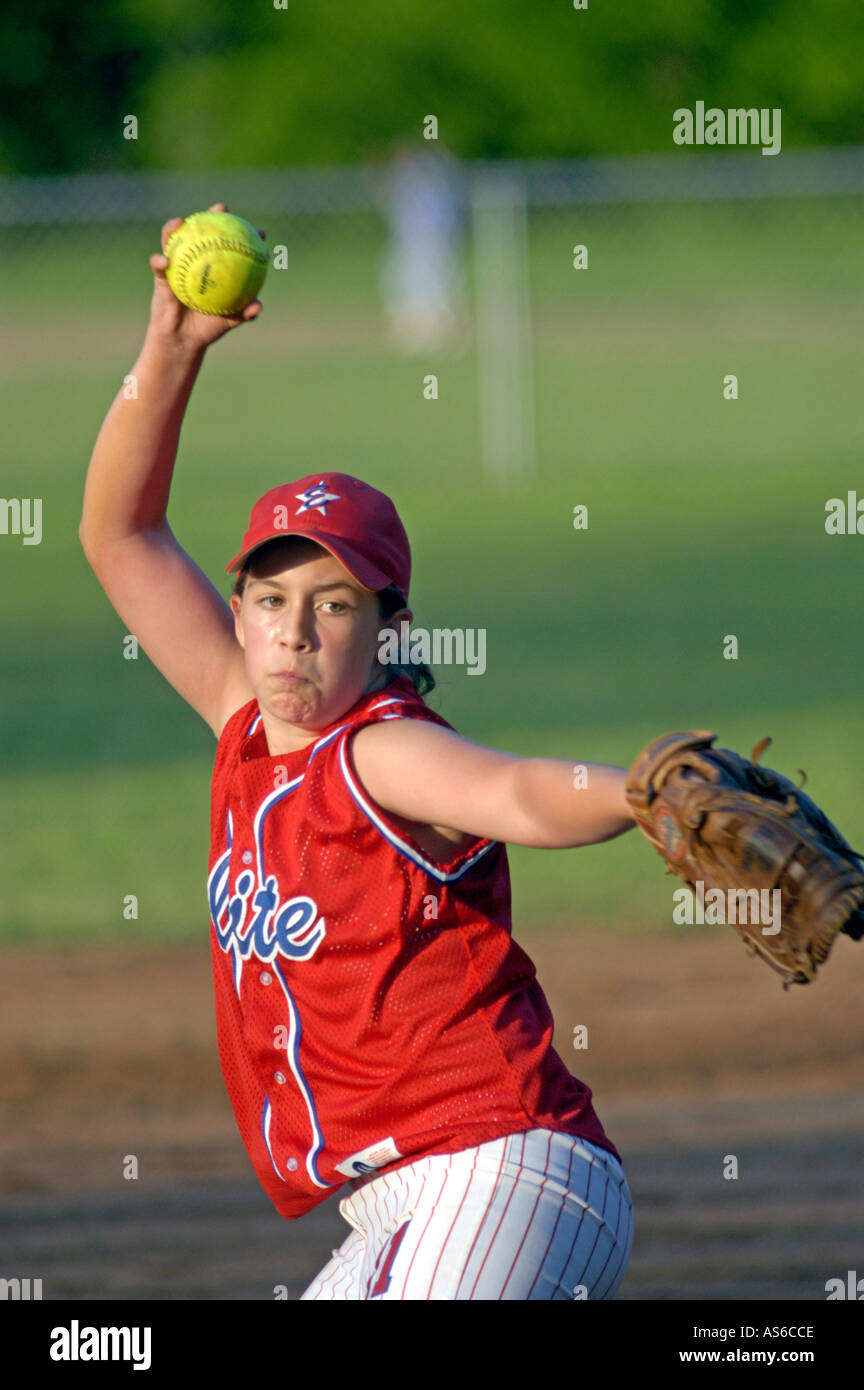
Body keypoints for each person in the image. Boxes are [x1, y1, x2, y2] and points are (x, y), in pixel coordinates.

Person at [79, 204, 637, 1301]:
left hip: (501, 1170)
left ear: (388, 631)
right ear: (236, 609)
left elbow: (519, 790)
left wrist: (650, 796)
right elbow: (119, 532)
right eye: (271, 596)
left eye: (334, 603)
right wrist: (171, 350)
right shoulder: (246, 725)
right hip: (411, 1204)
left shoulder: (379, 755)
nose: (294, 629)